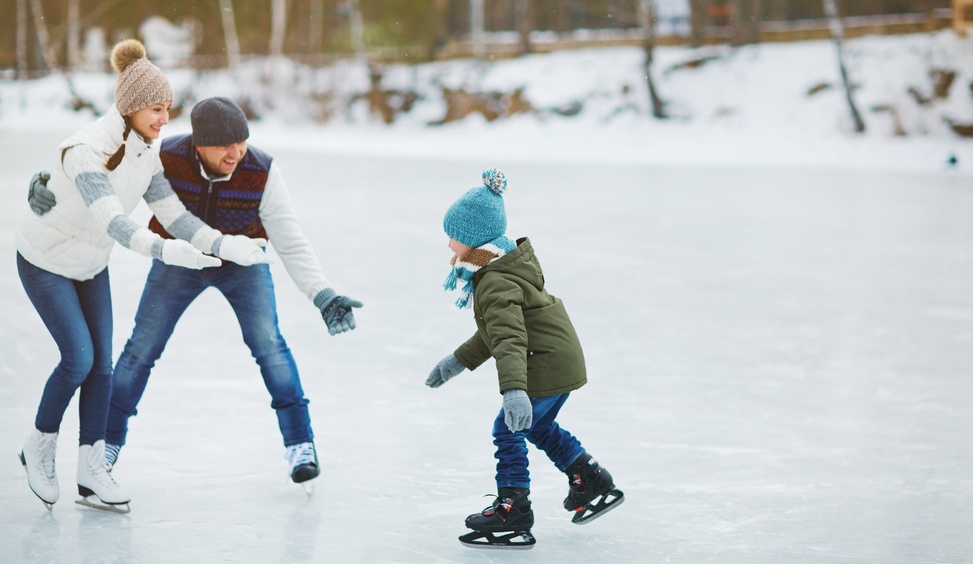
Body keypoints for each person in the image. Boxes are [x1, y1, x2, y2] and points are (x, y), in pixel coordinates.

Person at [29, 96, 362, 488]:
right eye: (226, 144)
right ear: (198, 144)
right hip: (178, 260)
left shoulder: (262, 170)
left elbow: (290, 240)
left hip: (242, 262)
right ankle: (106, 445)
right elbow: (95, 174)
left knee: (269, 344)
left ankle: (300, 443)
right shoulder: (164, 157)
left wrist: (321, 293)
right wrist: (46, 183)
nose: (237, 152)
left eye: (242, 141)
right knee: (140, 350)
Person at [16, 39, 272, 512]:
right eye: (156, 108)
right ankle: (39, 444)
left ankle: (92, 471)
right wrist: (165, 252)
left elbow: (173, 214)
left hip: (89, 265)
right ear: (131, 107)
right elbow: (113, 220)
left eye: (167, 108)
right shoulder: (85, 152)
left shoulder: (146, 152)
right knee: (78, 358)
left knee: (103, 366)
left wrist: (221, 243)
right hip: (45, 260)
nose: (164, 120)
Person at [424, 169, 624, 548]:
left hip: (544, 362)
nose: (449, 245)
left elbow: (510, 338)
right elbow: (497, 333)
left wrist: (513, 390)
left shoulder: (494, 280)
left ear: (473, 240)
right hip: (558, 357)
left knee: (509, 428)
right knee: (537, 426)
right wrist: (458, 361)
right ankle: (590, 479)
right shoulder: (500, 265)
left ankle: (512, 508)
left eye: (454, 237)